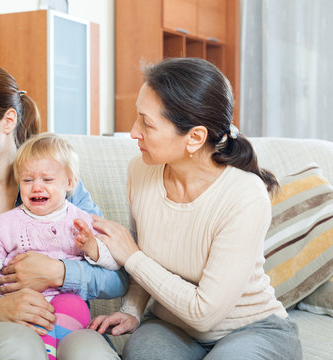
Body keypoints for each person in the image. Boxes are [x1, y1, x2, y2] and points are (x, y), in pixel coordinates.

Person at [88, 57, 302, 360]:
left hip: (252, 329)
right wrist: (132, 310)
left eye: (147, 123)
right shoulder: (141, 170)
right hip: (172, 328)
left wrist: (131, 255)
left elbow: (204, 313)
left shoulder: (244, 195)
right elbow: (150, 262)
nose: (134, 132)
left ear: (195, 137)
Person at [0, 64, 127, 360]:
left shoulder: (59, 183)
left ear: (8, 120)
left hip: (61, 323)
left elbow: (117, 278)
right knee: (19, 344)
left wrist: (60, 272)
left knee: (92, 352)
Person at [0, 132, 120, 359]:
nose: (36, 187)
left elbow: (114, 263)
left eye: (47, 179)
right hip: (23, 304)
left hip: (68, 305)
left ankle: (50, 350)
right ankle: (47, 349)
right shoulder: (8, 223)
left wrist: (92, 246)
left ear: (70, 183)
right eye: (28, 180)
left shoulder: (80, 220)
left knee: (76, 306)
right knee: (27, 323)